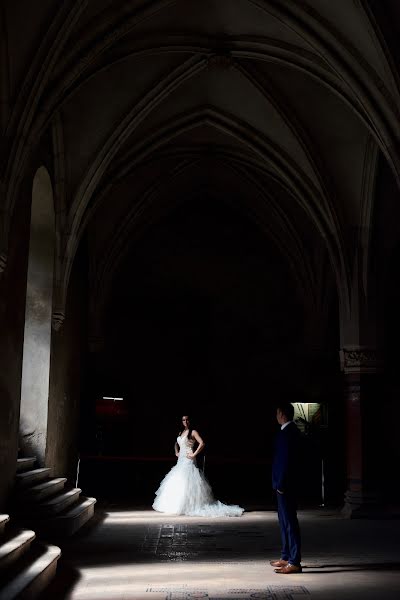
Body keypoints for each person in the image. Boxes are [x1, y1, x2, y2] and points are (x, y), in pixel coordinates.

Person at [152, 415, 244, 517]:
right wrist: (176, 452)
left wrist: (194, 454)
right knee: (178, 479)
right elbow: (176, 443)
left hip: (188, 459)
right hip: (180, 459)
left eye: (187, 420)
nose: (185, 421)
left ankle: (188, 505)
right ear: (181, 421)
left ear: (190, 421)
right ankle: (177, 504)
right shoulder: (180, 432)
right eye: (183, 420)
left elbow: (202, 443)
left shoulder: (193, 432)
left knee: (188, 480)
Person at [270, 402, 302, 574]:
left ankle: (294, 561)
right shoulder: (288, 432)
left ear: (282, 414)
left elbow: (286, 462)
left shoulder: (289, 433)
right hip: (282, 484)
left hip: (286, 485)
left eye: (277, 413)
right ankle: (286, 556)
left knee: (290, 522)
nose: (276, 416)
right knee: (284, 522)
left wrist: (281, 484)